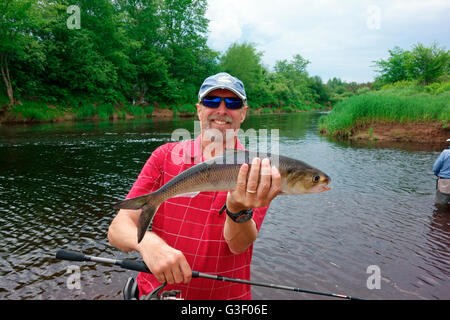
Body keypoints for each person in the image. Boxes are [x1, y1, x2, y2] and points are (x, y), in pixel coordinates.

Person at [108, 72, 281, 299]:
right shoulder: (164, 156)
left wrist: (237, 208)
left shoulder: (259, 168)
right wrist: (148, 244)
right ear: (199, 109)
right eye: (211, 101)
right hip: (155, 293)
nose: (221, 110)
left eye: (232, 103)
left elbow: (238, 245)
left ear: (243, 113)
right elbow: (117, 230)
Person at [433, 139, 450, 207]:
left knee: (440, 206)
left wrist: (437, 174)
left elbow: (435, 168)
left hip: (445, 181)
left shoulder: (445, 153)